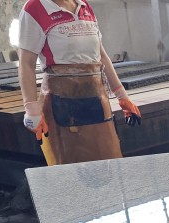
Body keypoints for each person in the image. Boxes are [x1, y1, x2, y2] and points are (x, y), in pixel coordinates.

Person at [16, 0, 141, 164]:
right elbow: (26, 63)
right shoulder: (35, 8)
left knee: (110, 164)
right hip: (61, 104)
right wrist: (31, 109)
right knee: (71, 169)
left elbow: (101, 56)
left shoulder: (84, 5)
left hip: (97, 100)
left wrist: (122, 96)